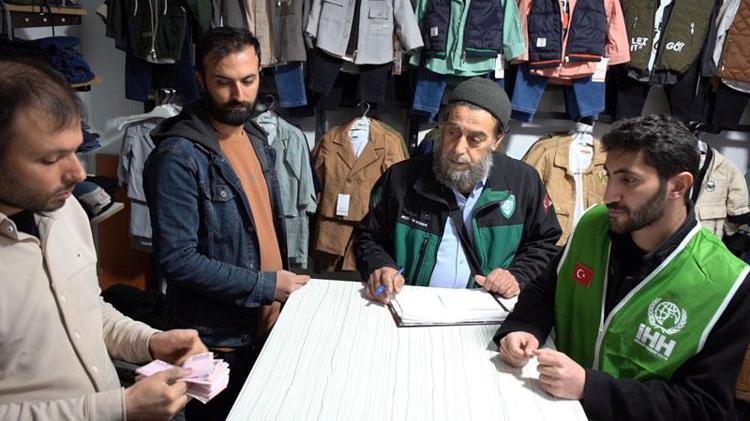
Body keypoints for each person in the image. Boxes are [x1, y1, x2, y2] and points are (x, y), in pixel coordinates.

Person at [495, 114, 750, 420]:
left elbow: (705, 407)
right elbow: (547, 288)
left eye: (628, 180)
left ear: (678, 185)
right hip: (550, 407)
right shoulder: (593, 223)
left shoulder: (728, 282)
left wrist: (590, 388)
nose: (608, 196)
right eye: (609, 175)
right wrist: (524, 326)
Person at [0, 59, 208, 420]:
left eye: (76, 150)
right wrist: (117, 407)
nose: (79, 173)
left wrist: (148, 342)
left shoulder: (65, 210)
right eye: (50, 159)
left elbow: (86, 310)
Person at [145, 27, 310, 420]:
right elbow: (177, 260)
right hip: (217, 342)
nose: (239, 95)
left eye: (248, 81)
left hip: (264, 329)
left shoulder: (255, 137)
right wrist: (267, 285)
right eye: (224, 82)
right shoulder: (178, 157)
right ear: (201, 79)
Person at [355, 77, 562, 303]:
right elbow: (369, 236)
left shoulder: (523, 182)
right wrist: (379, 265)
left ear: (497, 139)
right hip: (409, 305)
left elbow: (544, 243)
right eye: (452, 132)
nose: (459, 149)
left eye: (475, 139)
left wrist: (517, 275)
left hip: (485, 308)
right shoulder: (400, 178)